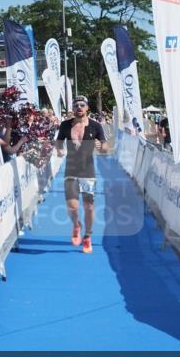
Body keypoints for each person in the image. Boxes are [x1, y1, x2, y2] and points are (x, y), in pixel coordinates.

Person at [55, 96, 107, 254]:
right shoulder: (65, 125)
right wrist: (59, 150)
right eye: (76, 105)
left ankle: (88, 236)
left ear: (87, 108)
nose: (79, 107)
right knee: (72, 206)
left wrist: (101, 147)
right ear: (73, 108)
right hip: (70, 169)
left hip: (88, 170)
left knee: (89, 206)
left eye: (82, 105)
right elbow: (58, 141)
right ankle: (76, 225)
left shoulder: (96, 126)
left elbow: (105, 147)